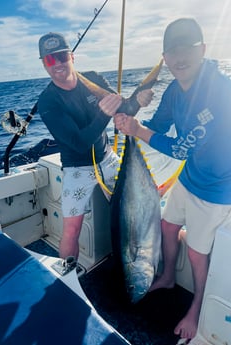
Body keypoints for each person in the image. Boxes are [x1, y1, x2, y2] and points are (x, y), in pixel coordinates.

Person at [114, 18, 231, 341]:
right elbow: (159, 123)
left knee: (198, 252)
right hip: (193, 176)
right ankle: (169, 276)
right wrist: (135, 114)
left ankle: (197, 307)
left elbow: (182, 148)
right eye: (173, 51)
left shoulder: (218, 91)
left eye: (188, 48)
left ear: (202, 50)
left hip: (220, 186)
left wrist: (137, 131)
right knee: (168, 226)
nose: (180, 57)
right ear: (165, 58)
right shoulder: (174, 89)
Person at [37, 32, 153, 261]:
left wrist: (139, 100)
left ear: (72, 56)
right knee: (71, 230)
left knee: (142, 212)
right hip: (76, 169)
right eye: (50, 59)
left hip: (109, 160)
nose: (57, 64)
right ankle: (67, 279)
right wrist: (103, 114)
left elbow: (124, 109)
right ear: (43, 64)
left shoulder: (93, 80)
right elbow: (79, 143)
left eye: (61, 56)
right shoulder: (48, 101)